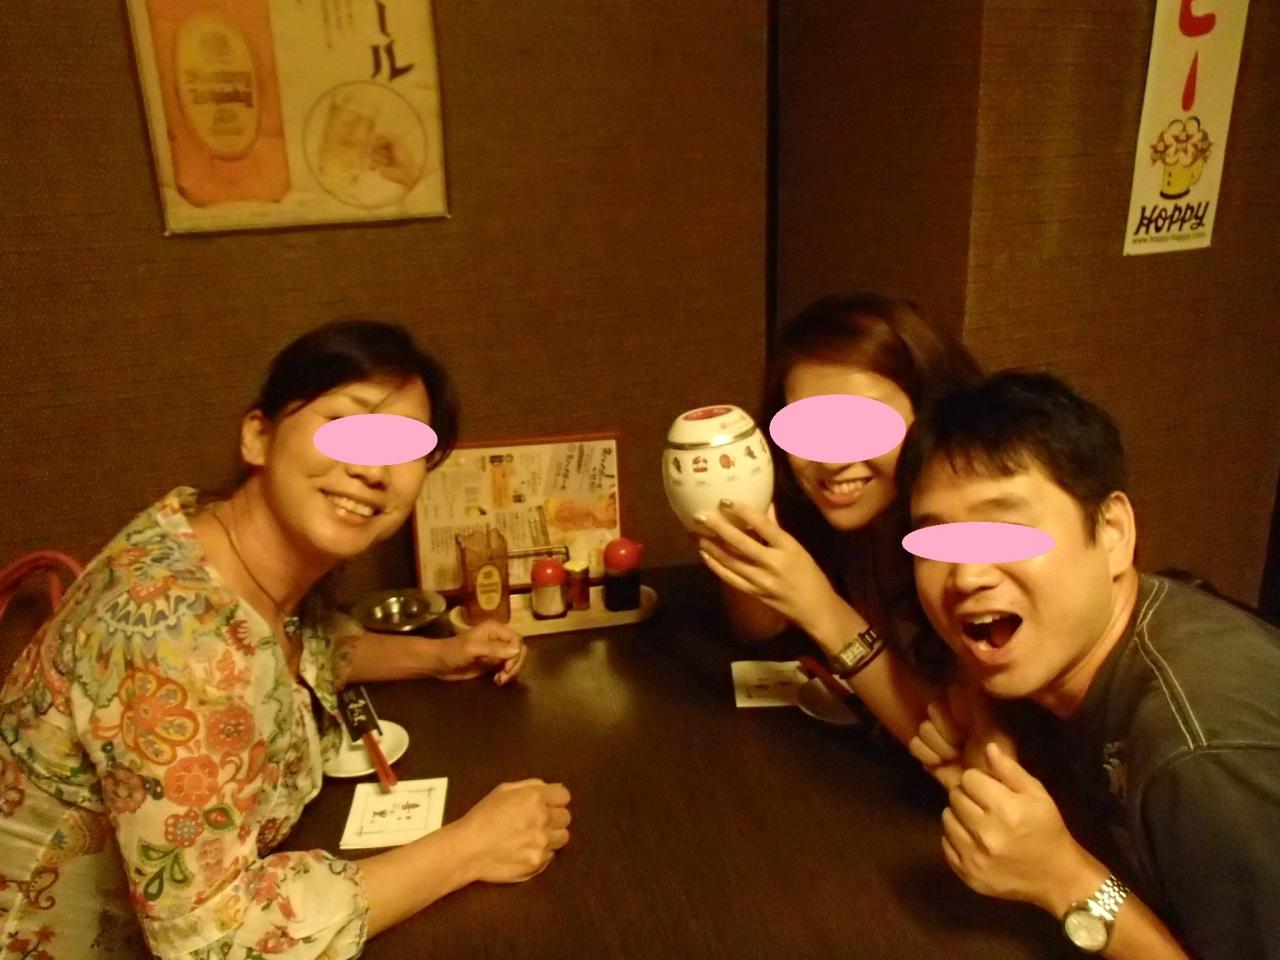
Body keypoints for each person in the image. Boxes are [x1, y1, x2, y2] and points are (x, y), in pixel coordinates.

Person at [0, 320, 572, 958]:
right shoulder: (173, 634)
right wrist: (471, 847)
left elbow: (294, 649)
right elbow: (212, 940)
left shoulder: (220, 540)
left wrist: (442, 654)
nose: (373, 468)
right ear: (258, 436)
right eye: (345, 425)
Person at [897, 370, 1280, 959]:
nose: (966, 576)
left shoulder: (1200, 752)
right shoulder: (1075, 648)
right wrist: (992, 735)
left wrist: (1064, 880)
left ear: (1113, 534)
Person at [694, 293, 992, 753]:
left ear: (931, 414)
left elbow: (960, 747)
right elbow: (759, 629)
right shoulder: (868, 518)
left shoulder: (974, 545)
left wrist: (821, 609)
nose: (831, 460)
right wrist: (737, 528)